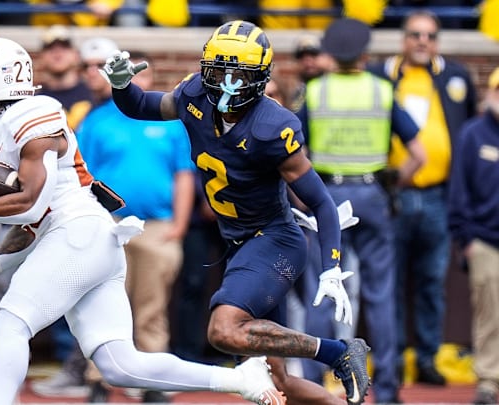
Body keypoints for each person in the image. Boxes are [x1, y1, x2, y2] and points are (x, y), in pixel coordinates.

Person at [0, 36, 292, 405]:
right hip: (83, 238)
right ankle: (240, 378)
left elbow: (31, 204)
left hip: (77, 234)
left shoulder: (32, 114)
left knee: (8, 324)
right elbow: (32, 224)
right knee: (119, 365)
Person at [101, 20, 371, 405]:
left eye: (239, 74)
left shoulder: (273, 126)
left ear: (260, 78)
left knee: (223, 331)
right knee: (277, 385)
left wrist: (330, 264)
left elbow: (322, 202)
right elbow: (142, 105)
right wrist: (121, 86)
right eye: (219, 71)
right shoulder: (194, 95)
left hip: (274, 239)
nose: (227, 82)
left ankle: (338, 352)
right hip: (240, 245)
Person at [297, 18, 426, 404]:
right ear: (365, 54)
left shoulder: (314, 92)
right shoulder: (383, 91)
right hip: (372, 194)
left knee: (321, 291)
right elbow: (420, 155)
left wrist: (305, 195)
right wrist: (393, 183)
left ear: (329, 55)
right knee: (381, 293)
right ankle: (386, 390)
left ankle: (312, 385)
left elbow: (293, 153)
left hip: (327, 196)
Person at [77, 45, 195, 403]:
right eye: (130, 72)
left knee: (152, 309)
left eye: (142, 72)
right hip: (108, 225)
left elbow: (185, 175)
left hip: (158, 226)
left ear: (152, 77)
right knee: (102, 306)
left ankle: (152, 384)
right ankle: (98, 380)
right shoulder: (96, 120)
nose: (137, 78)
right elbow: (81, 174)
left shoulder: (172, 123)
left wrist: (179, 224)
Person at [367, 9, 477, 386]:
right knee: (391, 280)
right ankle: (393, 357)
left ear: (437, 41)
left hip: (438, 195)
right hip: (391, 194)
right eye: (415, 34)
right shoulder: (381, 76)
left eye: (429, 36)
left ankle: (427, 357)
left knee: (432, 280)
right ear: (403, 38)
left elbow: (468, 132)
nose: (422, 41)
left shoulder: (456, 75)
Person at [29, 25, 96, 399]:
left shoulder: (91, 96)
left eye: (63, 46)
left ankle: (76, 367)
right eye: (49, 46)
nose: (56, 52)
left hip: (76, 199)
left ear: (74, 53)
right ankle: (54, 361)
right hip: (36, 202)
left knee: (77, 284)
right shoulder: (32, 98)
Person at [447, 67, 499, 405]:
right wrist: (466, 239)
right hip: (484, 240)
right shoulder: (473, 133)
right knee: (490, 313)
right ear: (491, 94)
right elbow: (459, 189)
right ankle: (489, 381)